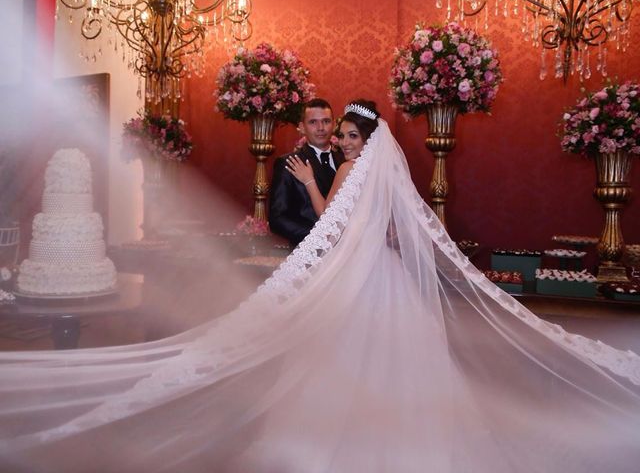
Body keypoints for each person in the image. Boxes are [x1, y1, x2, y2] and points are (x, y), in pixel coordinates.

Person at [1, 100, 640, 473]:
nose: (335, 137)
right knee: (376, 359)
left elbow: (332, 214)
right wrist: (311, 196)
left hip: (361, 275)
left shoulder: (349, 170)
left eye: (345, 132)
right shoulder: (372, 171)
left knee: (343, 353)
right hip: (375, 275)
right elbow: (336, 222)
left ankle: (352, 439)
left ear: (359, 138)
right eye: (333, 130)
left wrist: (313, 185)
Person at [268, 98, 345, 245]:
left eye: (326, 121)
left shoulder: (346, 162)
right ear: (302, 128)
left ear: (334, 125)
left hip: (348, 252)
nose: (320, 127)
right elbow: (277, 219)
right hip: (308, 255)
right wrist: (318, 239)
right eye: (313, 122)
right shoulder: (289, 163)